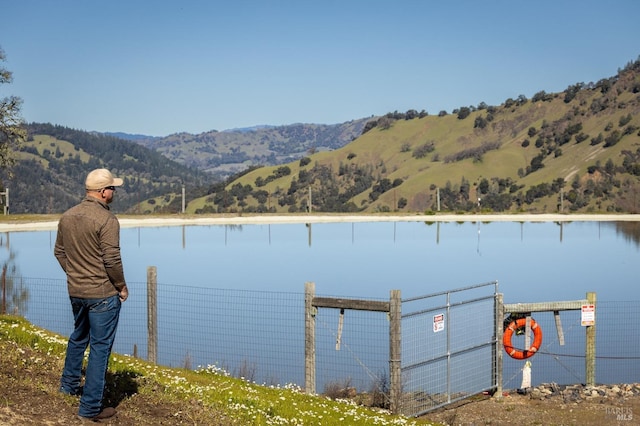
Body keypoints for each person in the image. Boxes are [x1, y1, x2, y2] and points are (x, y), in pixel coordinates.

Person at [54, 168, 129, 421]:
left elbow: (59, 252)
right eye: (113, 188)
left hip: (76, 291)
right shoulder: (108, 220)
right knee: (100, 348)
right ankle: (89, 409)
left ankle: (68, 386)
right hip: (102, 295)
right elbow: (111, 259)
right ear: (103, 192)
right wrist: (121, 286)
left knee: (78, 337)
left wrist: (75, 274)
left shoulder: (68, 216)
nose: (114, 192)